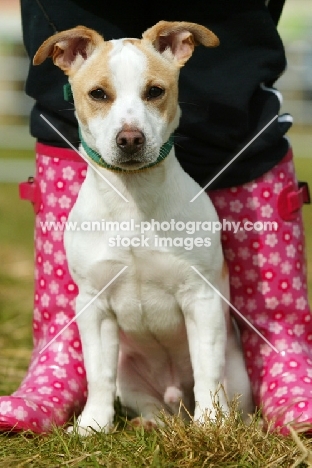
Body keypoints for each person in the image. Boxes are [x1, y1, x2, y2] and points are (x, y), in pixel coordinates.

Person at [0, 0, 311, 435]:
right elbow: (96, 307)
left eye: (152, 93)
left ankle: (235, 391)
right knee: (94, 301)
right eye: (101, 95)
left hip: (209, 365)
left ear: (179, 50)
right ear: (67, 58)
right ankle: (93, 403)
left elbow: (204, 301)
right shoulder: (83, 219)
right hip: (139, 372)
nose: (131, 128)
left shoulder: (193, 209)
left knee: (205, 302)